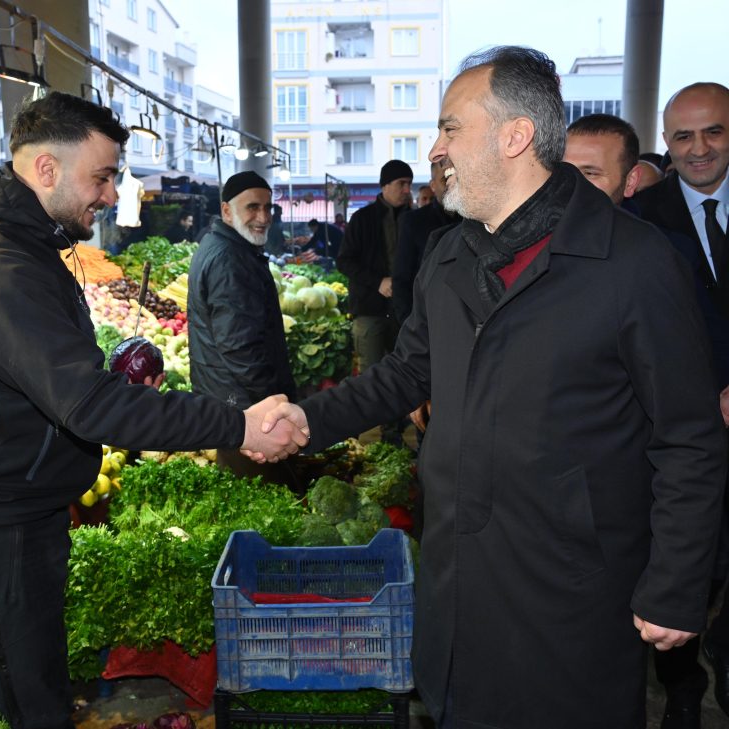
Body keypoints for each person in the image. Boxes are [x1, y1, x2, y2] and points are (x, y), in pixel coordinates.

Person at [255, 46, 727, 729]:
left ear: (515, 136)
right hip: (458, 571)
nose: (435, 147)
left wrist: (678, 583)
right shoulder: (452, 255)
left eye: (451, 128)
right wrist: (303, 418)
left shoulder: (634, 263)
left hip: (570, 587)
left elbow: (688, 437)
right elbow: (404, 374)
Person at [0, 92, 306, 729]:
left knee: (41, 688)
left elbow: (59, 382)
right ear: (45, 171)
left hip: (18, 510)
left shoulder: (24, 247)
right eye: (103, 176)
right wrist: (239, 423)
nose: (112, 195)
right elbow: (88, 406)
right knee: (21, 704)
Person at [634, 82, 729, 726]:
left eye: (714, 132)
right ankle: (684, 690)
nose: (699, 149)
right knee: (689, 557)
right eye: (684, 136)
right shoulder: (642, 221)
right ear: (666, 144)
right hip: (682, 431)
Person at [187, 170, 299, 486]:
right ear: (226, 210)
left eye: (268, 207)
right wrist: (274, 404)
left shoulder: (228, 247)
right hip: (246, 408)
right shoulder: (228, 259)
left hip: (232, 402)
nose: (263, 216)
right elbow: (240, 347)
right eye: (252, 207)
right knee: (264, 500)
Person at [336, 159, 413, 376]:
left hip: (405, 312)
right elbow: (344, 261)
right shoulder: (362, 219)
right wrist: (378, 282)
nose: (407, 190)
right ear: (385, 185)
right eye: (401, 183)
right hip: (369, 310)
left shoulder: (413, 218)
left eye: (409, 184)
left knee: (404, 375)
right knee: (371, 376)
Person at [392, 160, 458, 324]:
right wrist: (408, 325)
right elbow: (402, 277)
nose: (452, 184)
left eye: (457, 177)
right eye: (445, 179)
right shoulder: (414, 221)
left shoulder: (475, 218)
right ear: (433, 185)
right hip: (426, 319)